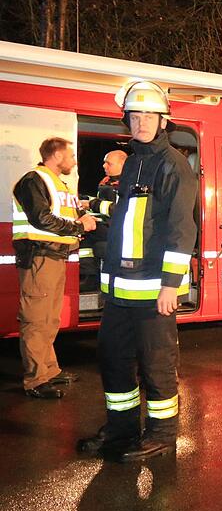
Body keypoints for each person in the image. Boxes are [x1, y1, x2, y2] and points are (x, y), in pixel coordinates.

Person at [76, 80, 197, 462]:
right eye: (135, 115)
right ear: (126, 121)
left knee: (157, 364)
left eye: (149, 115)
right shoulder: (132, 164)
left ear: (163, 121)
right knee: (113, 359)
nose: (142, 121)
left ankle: (161, 434)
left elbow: (182, 229)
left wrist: (170, 286)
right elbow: (127, 222)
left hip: (152, 290)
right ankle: (121, 428)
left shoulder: (173, 165)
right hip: (119, 291)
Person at [12, 137, 98, 398]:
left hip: (54, 257)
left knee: (49, 320)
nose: (74, 161)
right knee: (36, 320)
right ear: (57, 156)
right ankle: (36, 380)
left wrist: (82, 215)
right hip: (39, 257)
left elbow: (62, 214)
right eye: (71, 156)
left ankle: (49, 370)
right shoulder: (33, 180)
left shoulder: (58, 183)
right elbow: (41, 218)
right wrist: (79, 226)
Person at [79, 150, 127, 290]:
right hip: (109, 225)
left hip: (121, 229)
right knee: (84, 228)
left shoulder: (129, 184)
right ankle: (87, 275)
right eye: (104, 163)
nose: (104, 166)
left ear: (123, 164)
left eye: (109, 163)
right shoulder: (107, 182)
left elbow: (120, 210)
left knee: (86, 229)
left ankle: (88, 277)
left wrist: (92, 204)